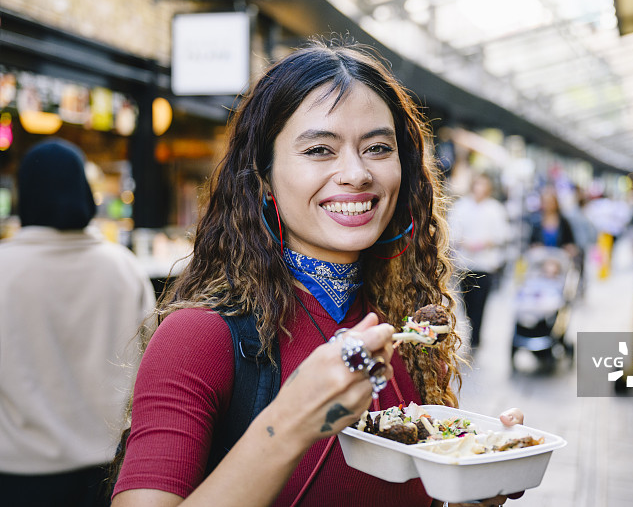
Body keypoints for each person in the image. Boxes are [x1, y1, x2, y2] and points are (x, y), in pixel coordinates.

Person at [109, 40, 523, 507]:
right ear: (262, 175)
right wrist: (293, 419)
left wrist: (469, 486)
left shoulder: (407, 334)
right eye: (321, 149)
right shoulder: (198, 338)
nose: (357, 173)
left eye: (378, 148)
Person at [0, 139, 155, 506]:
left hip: (18, 474)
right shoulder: (124, 268)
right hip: (109, 473)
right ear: (85, 193)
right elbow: (150, 365)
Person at [448, 172, 511, 349]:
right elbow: (453, 233)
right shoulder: (461, 207)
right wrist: (465, 243)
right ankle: (472, 326)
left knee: (481, 302)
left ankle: (476, 336)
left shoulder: (495, 209)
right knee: (467, 301)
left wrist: (485, 243)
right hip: (465, 264)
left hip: (486, 265)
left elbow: (502, 235)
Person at [528, 185, 577, 257]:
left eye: (550, 202)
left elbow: (571, 243)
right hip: (541, 259)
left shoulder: (564, 222)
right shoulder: (536, 222)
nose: (547, 205)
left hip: (560, 259)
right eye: (545, 202)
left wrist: (569, 249)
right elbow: (532, 243)